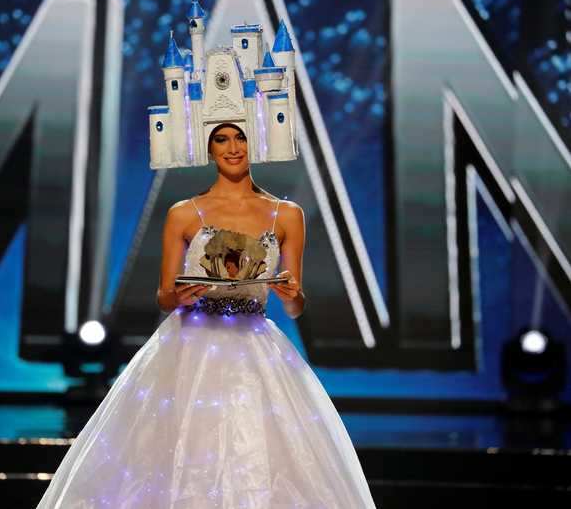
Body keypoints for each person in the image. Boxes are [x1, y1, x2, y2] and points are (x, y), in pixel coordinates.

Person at [35, 122, 377, 508]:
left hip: (254, 343)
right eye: (222, 139)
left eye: (241, 138)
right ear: (210, 149)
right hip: (191, 341)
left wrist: (292, 294)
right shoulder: (184, 213)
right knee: (180, 447)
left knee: (253, 447)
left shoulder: (286, 215)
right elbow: (165, 295)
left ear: (257, 144)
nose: (233, 148)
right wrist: (180, 295)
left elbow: (294, 304)